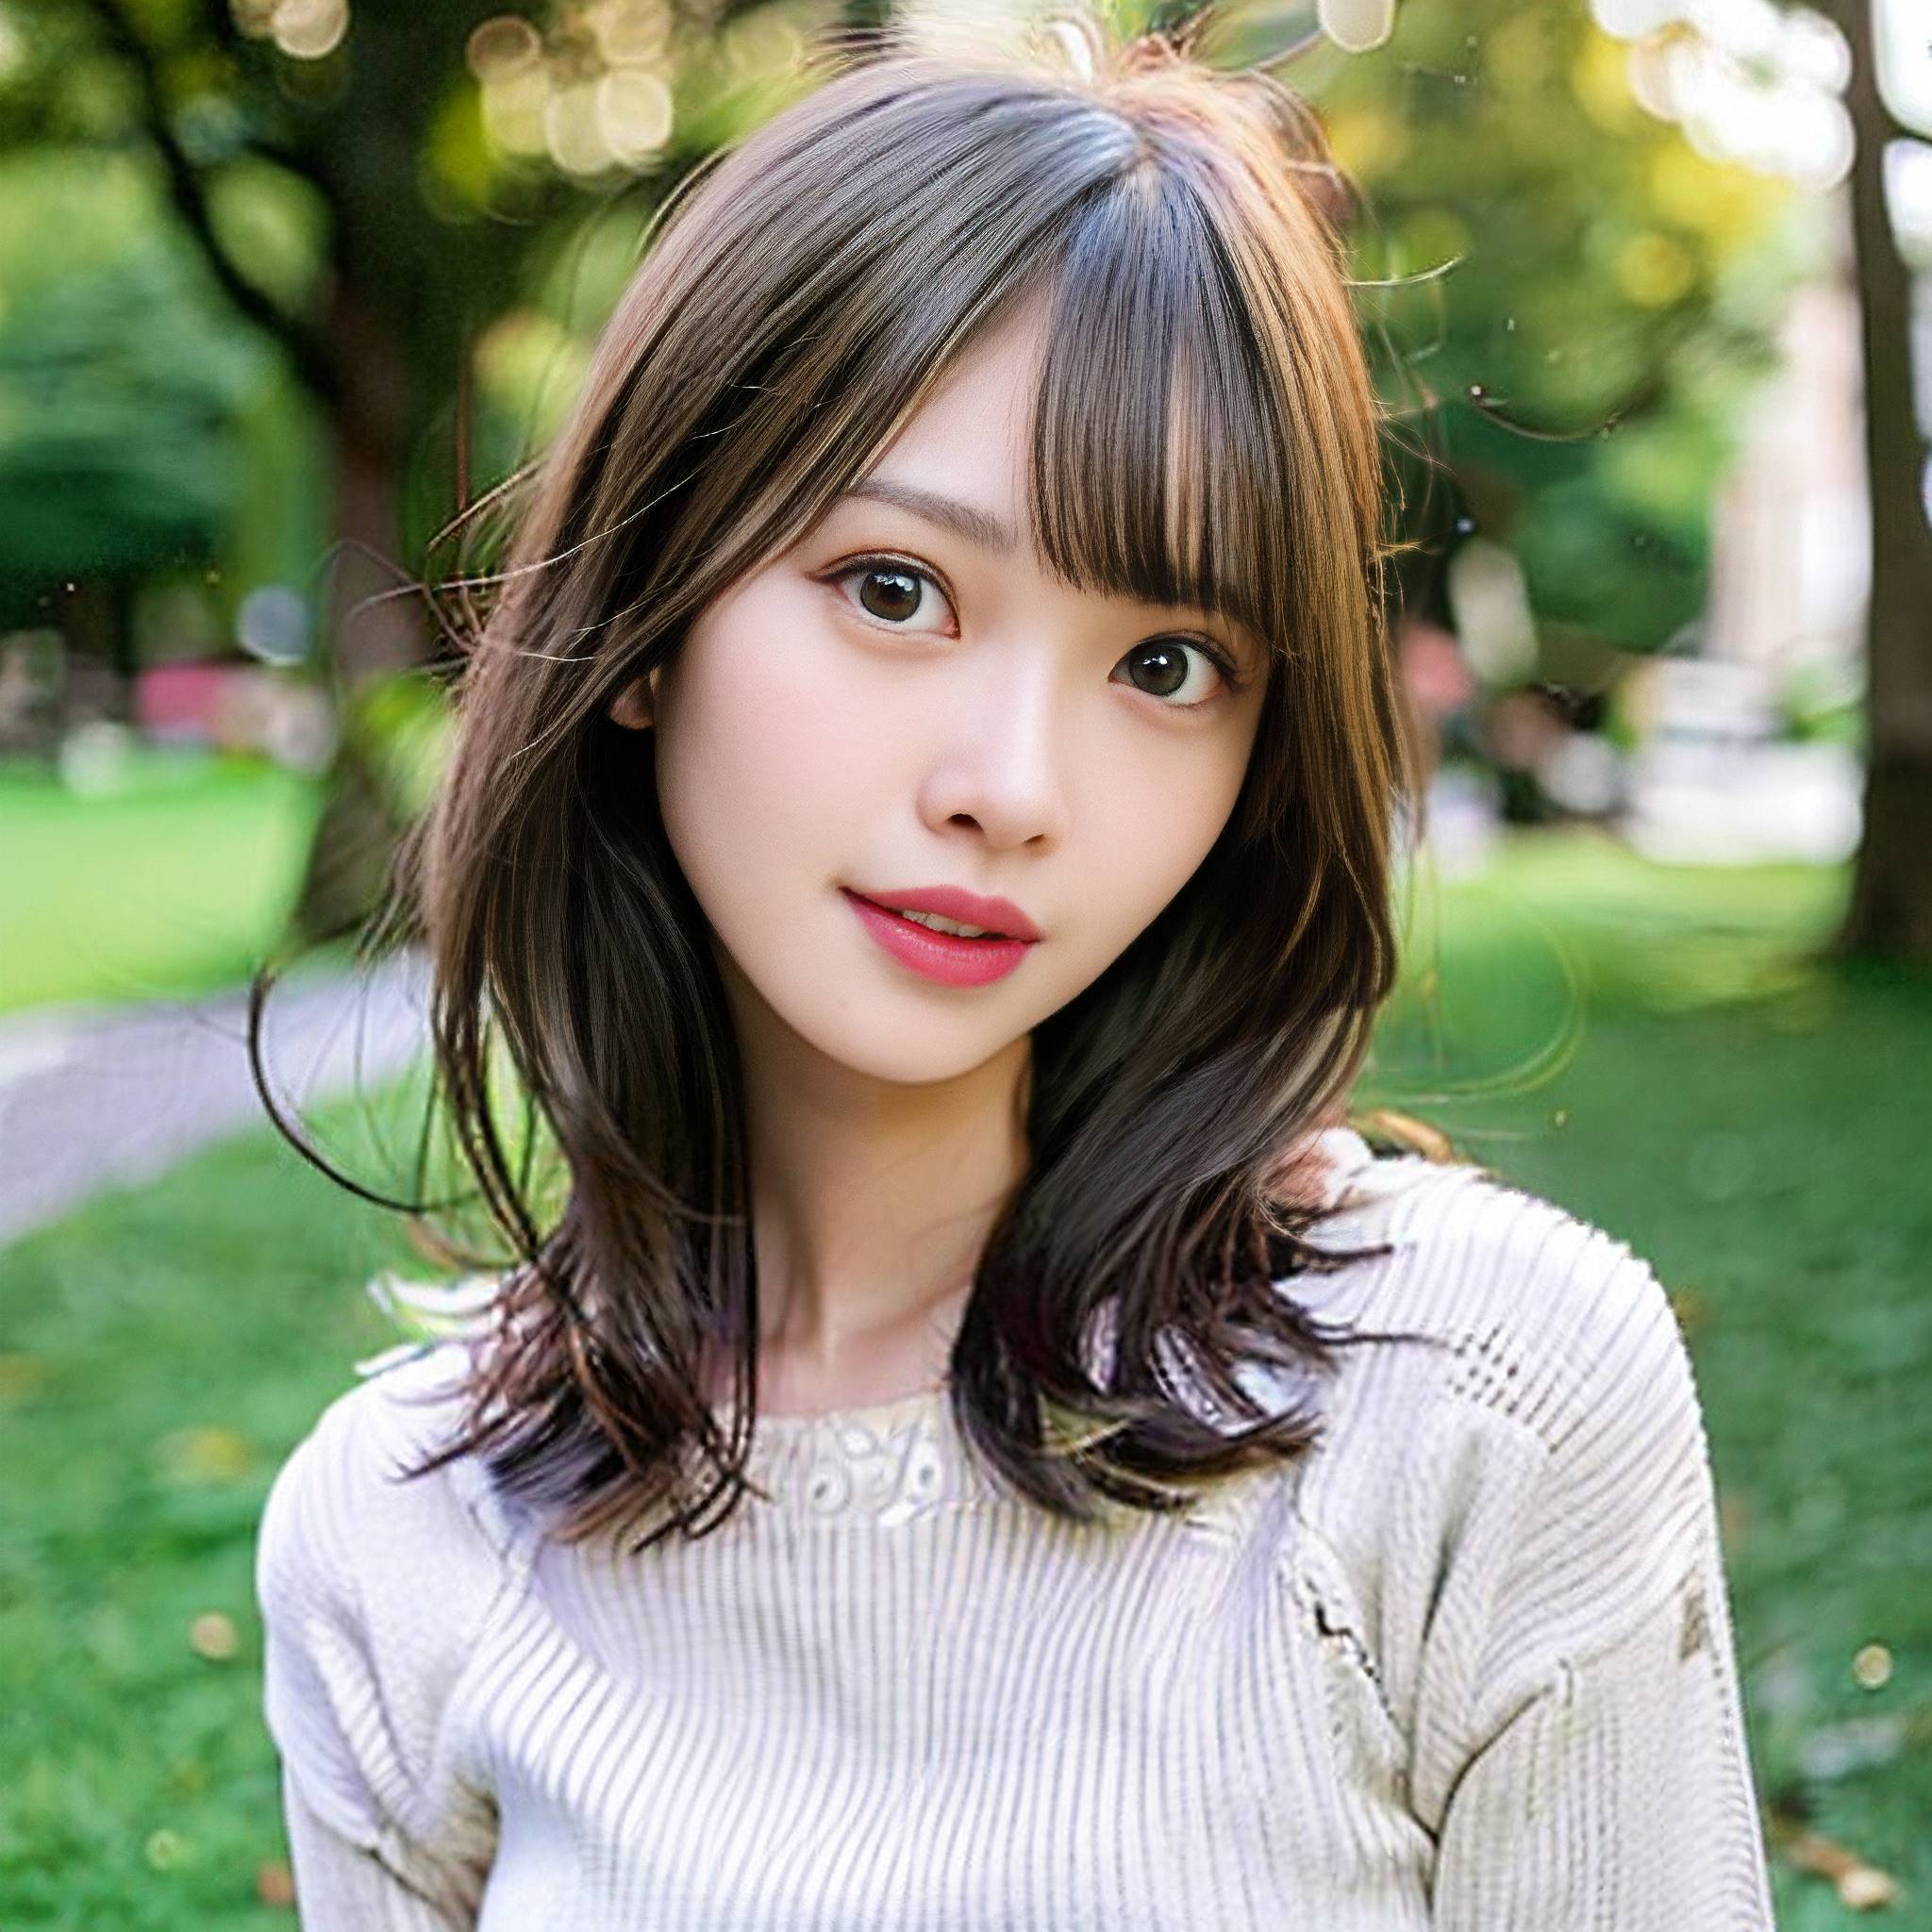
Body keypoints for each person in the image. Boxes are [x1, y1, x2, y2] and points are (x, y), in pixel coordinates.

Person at [253, 12, 1777, 1927]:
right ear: (647, 620)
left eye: (1166, 665)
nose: (1014, 789)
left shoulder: (1470, 1406)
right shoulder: (400, 1533)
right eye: (894, 589)